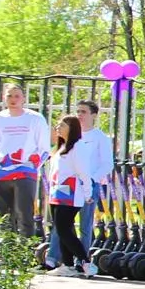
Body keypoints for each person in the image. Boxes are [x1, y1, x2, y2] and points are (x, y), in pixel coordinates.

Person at [49, 99, 114, 267]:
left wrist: (91, 179)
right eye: (77, 111)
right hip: (65, 186)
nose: (79, 115)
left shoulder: (100, 137)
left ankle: (81, 260)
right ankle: (55, 258)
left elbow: (107, 163)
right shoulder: (69, 136)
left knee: (85, 225)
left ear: (94, 115)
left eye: (83, 112)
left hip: (87, 184)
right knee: (62, 224)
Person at [0, 84, 50, 237]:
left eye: (17, 96)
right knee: (5, 216)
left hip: (25, 172)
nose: (13, 99)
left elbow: (44, 148)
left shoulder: (35, 118)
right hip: (1, 172)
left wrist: (34, 166)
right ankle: (7, 251)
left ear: (23, 99)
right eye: (9, 96)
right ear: (4, 98)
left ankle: (25, 250)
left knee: (24, 214)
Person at [44, 115, 98, 278]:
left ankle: (85, 261)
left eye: (62, 124)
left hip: (71, 194)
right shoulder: (60, 148)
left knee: (63, 228)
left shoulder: (78, 147)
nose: (58, 127)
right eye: (58, 124)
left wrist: (88, 193)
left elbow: (83, 172)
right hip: (57, 193)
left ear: (72, 128)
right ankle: (67, 265)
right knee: (62, 230)